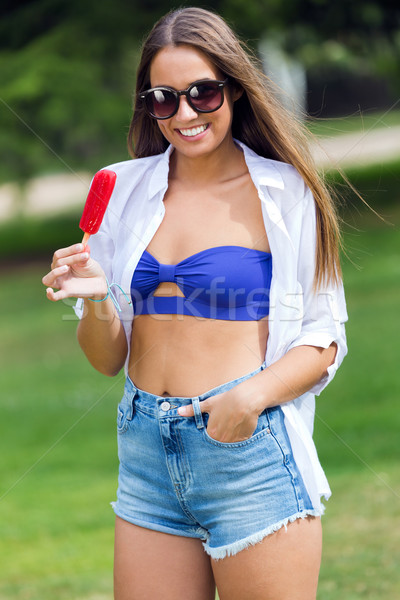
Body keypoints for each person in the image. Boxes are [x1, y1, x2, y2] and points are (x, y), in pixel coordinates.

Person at [42, 7, 347, 600]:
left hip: (247, 451)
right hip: (147, 454)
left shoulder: (286, 192)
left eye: (202, 94)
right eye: (163, 99)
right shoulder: (119, 190)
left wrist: (248, 400)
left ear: (233, 89)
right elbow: (106, 360)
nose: (183, 114)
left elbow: (324, 336)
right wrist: (99, 295)